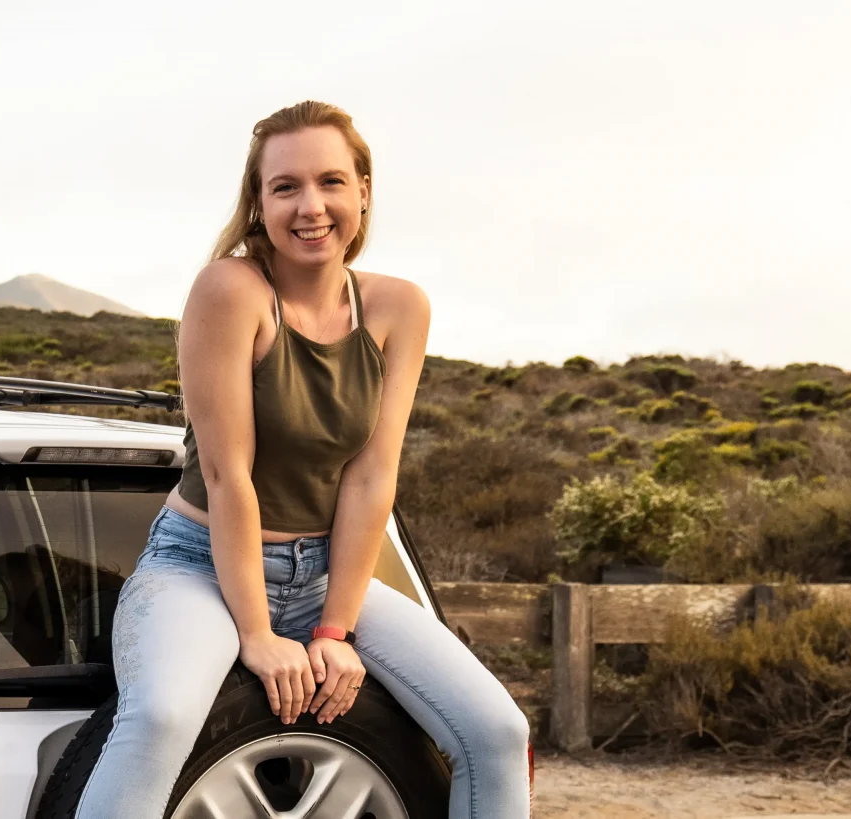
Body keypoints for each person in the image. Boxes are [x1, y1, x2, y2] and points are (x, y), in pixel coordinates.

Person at [73, 100, 531, 819]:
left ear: (363, 192)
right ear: (258, 203)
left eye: (330, 181)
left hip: (327, 575)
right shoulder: (230, 290)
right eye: (285, 186)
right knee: (160, 719)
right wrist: (256, 634)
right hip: (202, 568)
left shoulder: (399, 307)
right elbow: (229, 475)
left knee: (497, 732)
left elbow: (373, 473)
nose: (309, 206)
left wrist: (334, 631)